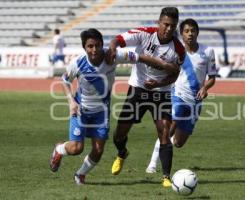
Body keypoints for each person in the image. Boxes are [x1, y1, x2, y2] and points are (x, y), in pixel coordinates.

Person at [49, 28, 176, 185]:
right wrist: (71, 101)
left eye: (97, 45)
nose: (94, 50)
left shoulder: (113, 56)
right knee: (76, 148)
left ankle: (80, 174)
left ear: (102, 44)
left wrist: (164, 65)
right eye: (90, 46)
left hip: (101, 113)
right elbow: (65, 80)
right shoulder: (78, 63)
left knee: (98, 150)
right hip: (81, 110)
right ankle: (59, 149)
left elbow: (141, 58)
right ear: (84, 47)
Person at [106, 7, 185, 187]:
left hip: (161, 93)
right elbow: (117, 40)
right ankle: (122, 153)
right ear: (158, 22)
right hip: (138, 89)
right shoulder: (144, 33)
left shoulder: (179, 49)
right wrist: (112, 48)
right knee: (119, 134)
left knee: (164, 132)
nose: (169, 29)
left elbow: (175, 74)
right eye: (165, 24)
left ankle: (166, 177)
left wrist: (158, 84)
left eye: (173, 26)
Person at [145, 18, 217, 174]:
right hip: (177, 96)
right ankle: (152, 164)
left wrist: (205, 88)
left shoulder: (208, 52)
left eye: (193, 30)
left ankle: (165, 150)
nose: (190, 34)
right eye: (186, 31)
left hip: (195, 102)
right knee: (168, 130)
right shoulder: (176, 51)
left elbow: (212, 77)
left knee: (178, 142)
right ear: (181, 34)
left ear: (197, 32)